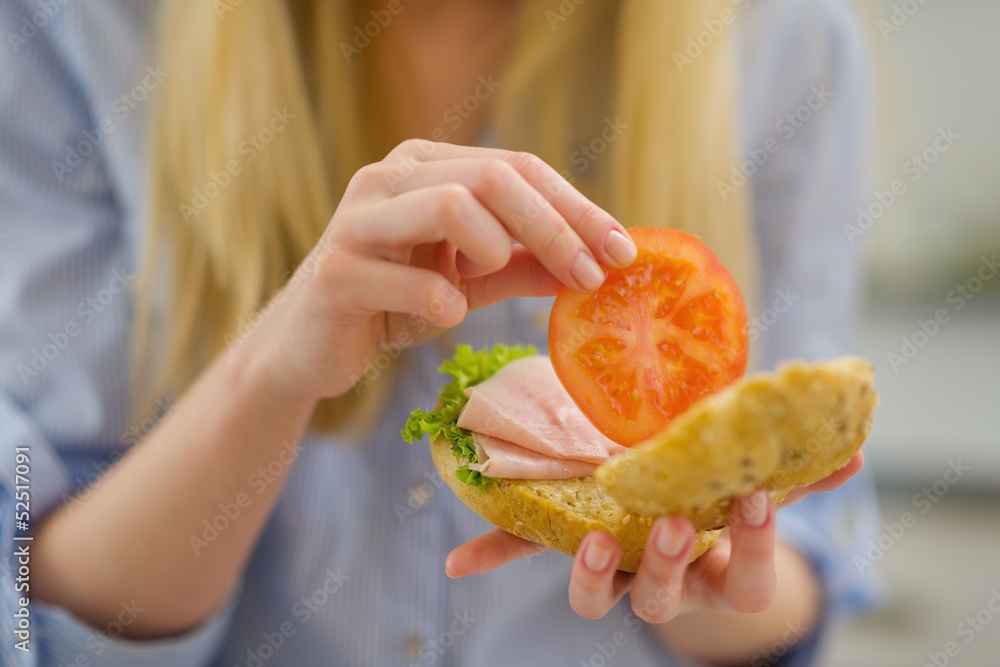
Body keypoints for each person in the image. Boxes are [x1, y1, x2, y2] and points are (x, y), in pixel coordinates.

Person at [0, 0, 882, 665]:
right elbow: (40, 587)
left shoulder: (783, 40)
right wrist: (270, 373)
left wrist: (707, 569)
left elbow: (803, 572)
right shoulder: (76, 28)